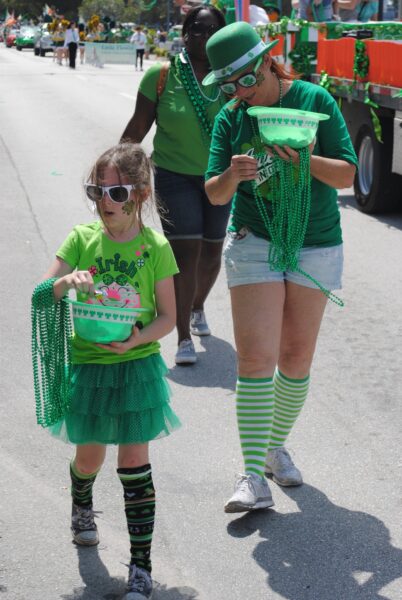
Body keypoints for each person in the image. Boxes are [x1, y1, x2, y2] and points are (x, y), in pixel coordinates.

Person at [203, 22, 357, 513]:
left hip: (315, 243)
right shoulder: (232, 118)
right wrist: (233, 172)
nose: (239, 94)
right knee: (254, 360)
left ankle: (273, 446)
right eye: (228, 87)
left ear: (269, 62)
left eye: (244, 81)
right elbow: (214, 192)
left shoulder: (315, 100)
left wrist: (306, 157)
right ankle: (251, 475)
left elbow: (348, 174)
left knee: (294, 359)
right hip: (254, 241)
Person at [31, 143, 181, 599]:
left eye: (115, 191)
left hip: (136, 367)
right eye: (97, 190)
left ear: (140, 193)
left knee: (135, 463)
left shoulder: (155, 246)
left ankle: (141, 567)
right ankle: (81, 501)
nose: (105, 202)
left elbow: (169, 317)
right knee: (90, 458)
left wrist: (138, 338)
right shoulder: (81, 239)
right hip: (90, 368)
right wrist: (65, 281)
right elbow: (44, 292)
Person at [121, 6, 230, 366]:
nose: (202, 36)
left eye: (211, 30)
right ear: (184, 33)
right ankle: (182, 334)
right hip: (173, 176)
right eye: (196, 29)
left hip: (219, 178)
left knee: (212, 253)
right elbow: (137, 129)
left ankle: (196, 306)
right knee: (186, 254)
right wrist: (119, 174)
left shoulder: (231, 77)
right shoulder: (161, 75)